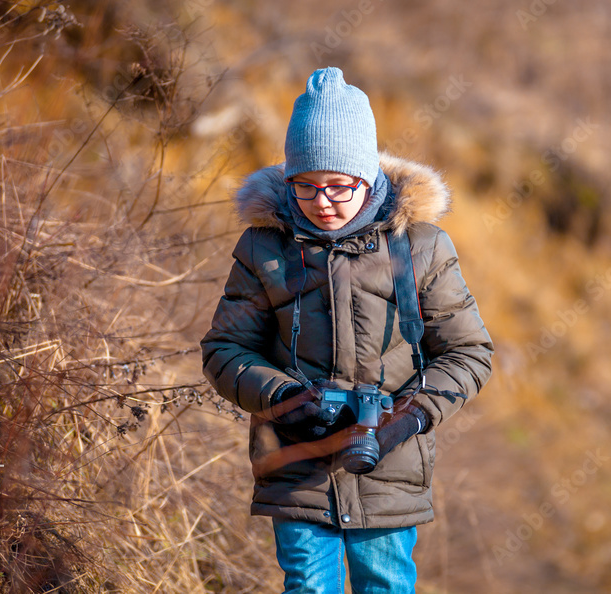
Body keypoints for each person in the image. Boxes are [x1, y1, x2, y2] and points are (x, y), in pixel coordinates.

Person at [200, 67, 493, 593]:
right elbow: (225, 349)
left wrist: (407, 419)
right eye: (306, 185)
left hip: (391, 468)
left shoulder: (421, 247)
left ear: (368, 176)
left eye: (339, 185)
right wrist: (287, 398)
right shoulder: (263, 248)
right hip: (295, 464)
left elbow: (468, 353)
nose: (322, 200)